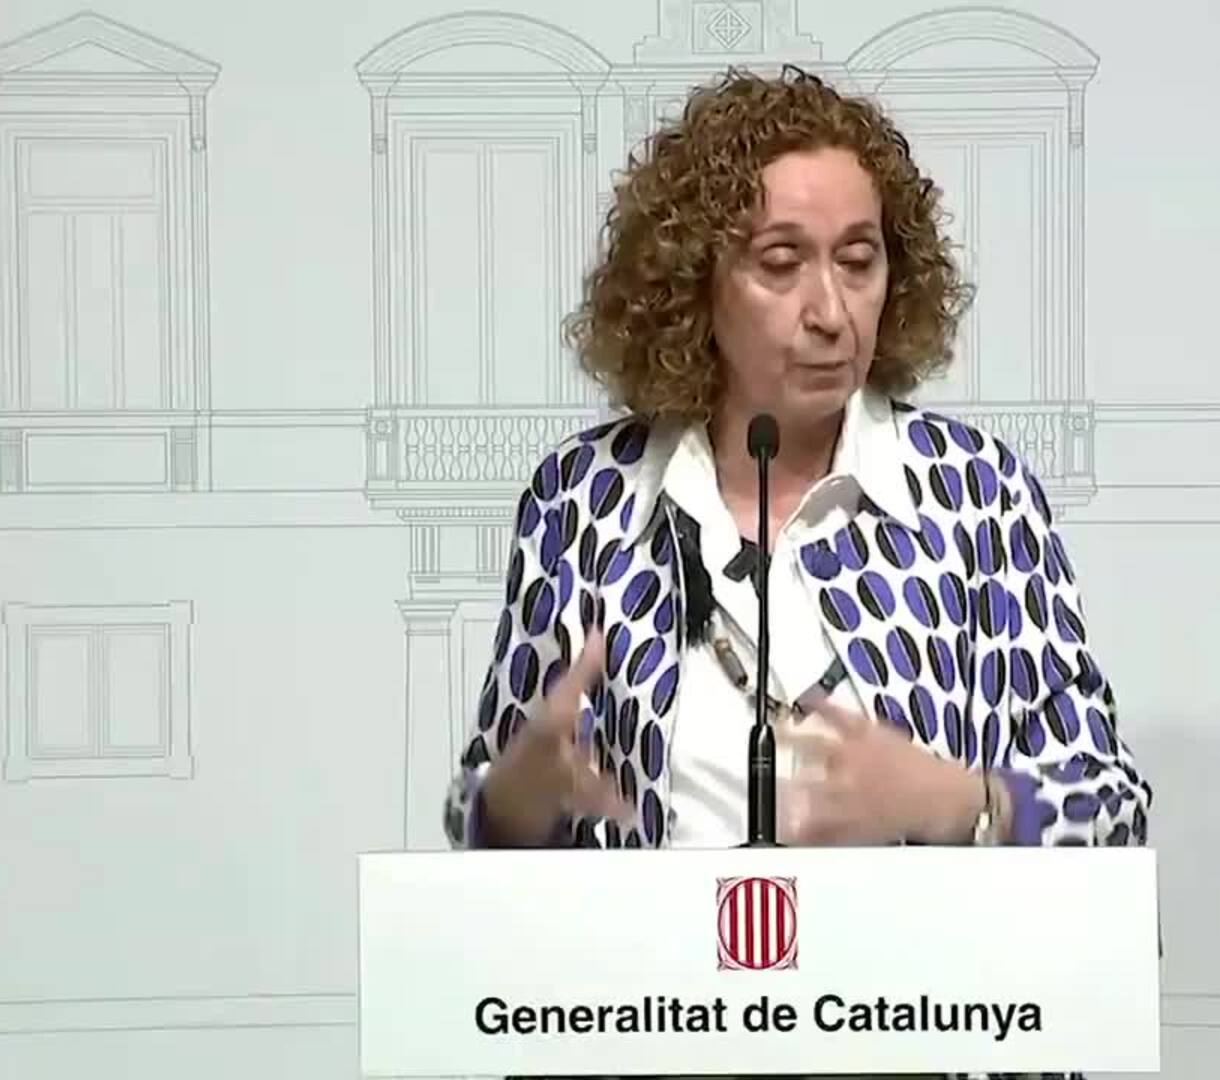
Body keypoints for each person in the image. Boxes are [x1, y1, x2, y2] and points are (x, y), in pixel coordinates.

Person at [442, 64, 1150, 860]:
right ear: (691, 284)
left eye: (858, 261)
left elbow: (1112, 809)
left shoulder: (974, 495)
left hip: (912, 948)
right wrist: (514, 805)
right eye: (781, 264)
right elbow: (486, 815)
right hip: (650, 948)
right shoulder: (584, 498)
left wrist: (955, 801)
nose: (831, 313)